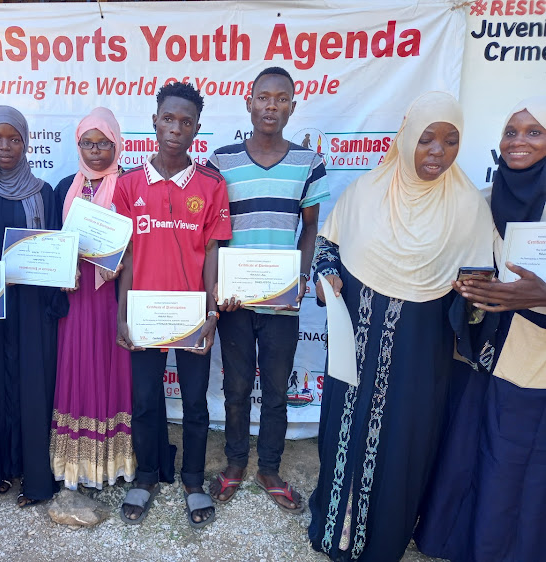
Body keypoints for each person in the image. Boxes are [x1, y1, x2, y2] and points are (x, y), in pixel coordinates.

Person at [307, 92, 495, 561]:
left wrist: (473, 298)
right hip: (357, 343)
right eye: (427, 139)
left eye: (451, 141)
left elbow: (480, 287)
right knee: (344, 434)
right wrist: (326, 274)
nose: (437, 152)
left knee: (404, 442)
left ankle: (384, 540)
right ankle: (334, 529)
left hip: (419, 353)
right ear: (407, 138)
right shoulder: (367, 190)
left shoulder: (469, 206)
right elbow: (329, 246)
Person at [415, 96, 546, 562]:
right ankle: (452, 540)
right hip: (478, 347)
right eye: (511, 132)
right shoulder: (485, 200)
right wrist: (469, 284)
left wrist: (542, 296)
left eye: (534, 132)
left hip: (532, 358)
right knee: (467, 444)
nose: (519, 142)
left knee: (513, 458)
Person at [206, 66, 329, 514]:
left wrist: (298, 278)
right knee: (237, 386)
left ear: (292, 107)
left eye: (281, 99)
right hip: (236, 300)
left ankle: (270, 468)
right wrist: (218, 285)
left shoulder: (309, 163)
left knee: (276, 389)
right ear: (248, 102)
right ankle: (236, 462)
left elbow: (310, 229)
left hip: (282, 301)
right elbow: (215, 233)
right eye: (263, 97)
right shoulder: (221, 161)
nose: (271, 106)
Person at [114, 82, 232, 528]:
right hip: (144, 315)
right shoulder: (128, 185)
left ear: (197, 128)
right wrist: (122, 314)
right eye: (168, 118)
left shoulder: (210, 186)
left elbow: (214, 253)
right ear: (154, 122)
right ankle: (146, 475)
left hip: (191, 317)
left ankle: (194, 481)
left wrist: (211, 316)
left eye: (186, 121)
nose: (175, 128)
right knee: (145, 401)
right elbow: (125, 258)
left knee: (196, 402)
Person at [0, 105, 68, 507]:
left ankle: (36, 480)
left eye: (14, 139)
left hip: (31, 306)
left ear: (26, 142)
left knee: (33, 387)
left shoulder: (43, 191)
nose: (5, 147)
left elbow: (57, 248)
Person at [51, 107, 135, 490]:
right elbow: (52, 245)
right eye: (89, 142)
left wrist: (120, 258)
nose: (96, 151)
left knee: (110, 363)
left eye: (105, 143)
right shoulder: (63, 187)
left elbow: (139, 245)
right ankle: (76, 466)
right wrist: (60, 270)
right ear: (78, 144)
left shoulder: (130, 185)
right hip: (75, 294)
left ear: (117, 143)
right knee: (77, 365)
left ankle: (113, 462)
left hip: (112, 296)